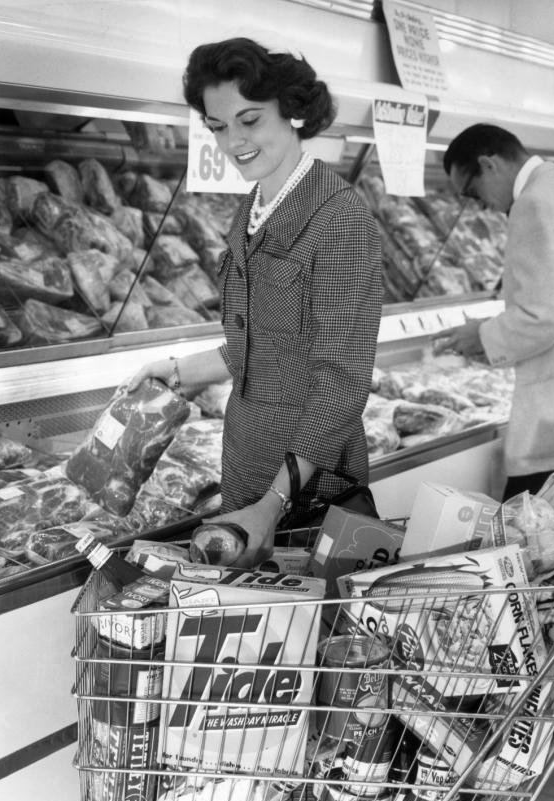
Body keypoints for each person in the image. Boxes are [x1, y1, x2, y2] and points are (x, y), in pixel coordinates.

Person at [128, 37, 382, 566]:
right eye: (219, 126)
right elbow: (260, 346)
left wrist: (273, 502)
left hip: (307, 486)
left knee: (306, 631)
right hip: (247, 463)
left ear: (291, 112)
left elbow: (341, 382)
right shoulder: (251, 209)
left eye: (249, 120)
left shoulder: (339, 218)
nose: (233, 141)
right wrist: (173, 370)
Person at [434, 123, 554, 500]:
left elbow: (549, 314)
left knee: (527, 539)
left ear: (488, 165)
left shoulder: (534, 203)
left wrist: (482, 336)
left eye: (472, 194)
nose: (482, 205)